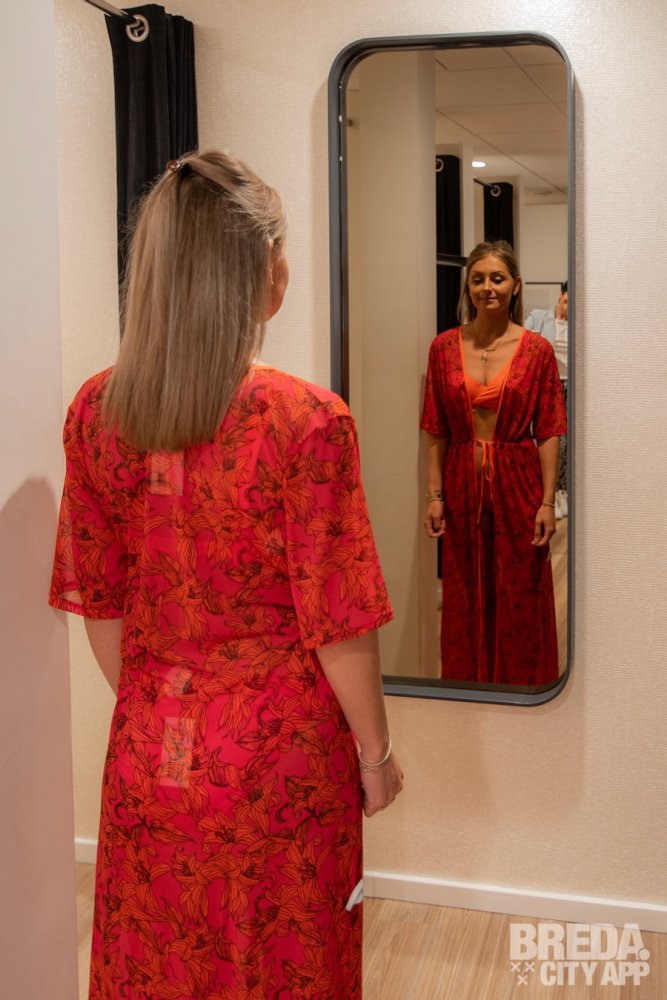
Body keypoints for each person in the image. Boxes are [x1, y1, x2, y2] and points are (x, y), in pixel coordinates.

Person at [49, 150, 403, 999]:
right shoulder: (307, 422)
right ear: (263, 271)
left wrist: (166, 707)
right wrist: (376, 753)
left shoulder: (97, 412)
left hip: (150, 753)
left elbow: (101, 606)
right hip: (281, 764)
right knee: (281, 965)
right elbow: (339, 623)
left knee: (158, 959)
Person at [421, 241, 566, 686]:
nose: (488, 288)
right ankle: (468, 686)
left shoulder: (537, 350)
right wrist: (434, 495)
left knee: (522, 586)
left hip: (518, 479)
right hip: (461, 479)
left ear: (515, 285)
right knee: (465, 587)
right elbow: (435, 428)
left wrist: (546, 502)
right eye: (478, 279)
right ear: (468, 285)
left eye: (497, 278)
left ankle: (524, 685)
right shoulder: (443, 347)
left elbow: (549, 430)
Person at [525, 282, 569, 517]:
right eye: (567, 300)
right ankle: (548, 494)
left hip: (570, 384)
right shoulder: (538, 317)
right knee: (553, 441)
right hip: (547, 384)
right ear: (561, 295)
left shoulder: (578, 324)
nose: (569, 306)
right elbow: (523, 342)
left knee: (568, 443)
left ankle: (562, 491)